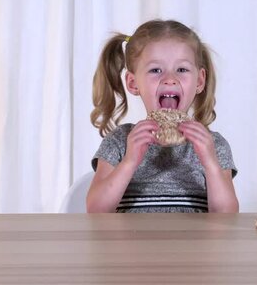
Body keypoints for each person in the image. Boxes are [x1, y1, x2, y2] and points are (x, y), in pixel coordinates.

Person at [87, 19, 239, 213]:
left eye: (182, 69)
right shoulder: (120, 141)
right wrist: (130, 161)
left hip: (195, 244)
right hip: (131, 244)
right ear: (133, 83)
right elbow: (95, 210)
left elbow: (227, 216)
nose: (169, 79)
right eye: (155, 70)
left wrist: (210, 163)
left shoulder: (214, 145)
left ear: (200, 81)